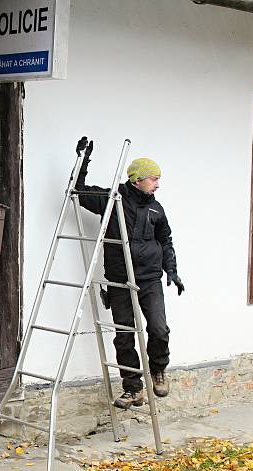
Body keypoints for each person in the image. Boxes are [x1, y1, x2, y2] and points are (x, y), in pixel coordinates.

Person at [73, 137, 184, 409]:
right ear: (137, 180)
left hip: (149, 280)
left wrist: (172, 270)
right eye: (153, 179)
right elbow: (78, 190)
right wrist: (83, 160)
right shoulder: (113, 200)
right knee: (123, 336)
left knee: (158, 329)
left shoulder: (156, 209)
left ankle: (158, 369)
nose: (158, 184)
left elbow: (166, 240)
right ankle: (133, 388)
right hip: (120, 279)